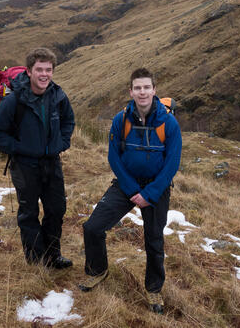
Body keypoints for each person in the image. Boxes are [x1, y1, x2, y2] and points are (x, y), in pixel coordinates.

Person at [79, 68, 181, 314]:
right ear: (131, 91)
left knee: (154, 240)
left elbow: (172, 164)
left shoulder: (168, 122)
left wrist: (150, 194)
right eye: (138, 88)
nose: (142, 92)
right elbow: (114, 158)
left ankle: (154, 288)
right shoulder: (120, 120)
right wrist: (133, 189)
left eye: (147, 87)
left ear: (154, 90)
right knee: (92, 227)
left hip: (156, 187)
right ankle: (97, 271)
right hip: (128, 184)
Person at [0, 47, 75, 269]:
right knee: (29, 213)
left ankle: (52, 256)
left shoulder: (58, 95)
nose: (44, 74)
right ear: (29, 71)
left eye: (48, 69)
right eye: (39, 69)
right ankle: (36, 262)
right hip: (24, 165)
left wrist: (62, 143)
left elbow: (68, 121)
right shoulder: (14, 100)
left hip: (52, 163)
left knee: (56, 210)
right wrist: (18, 148)